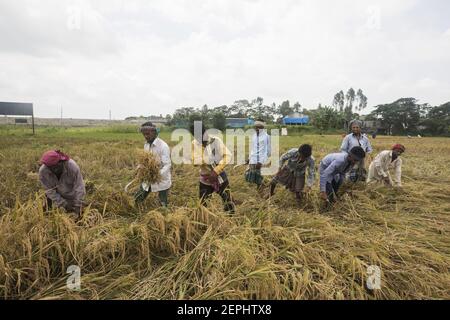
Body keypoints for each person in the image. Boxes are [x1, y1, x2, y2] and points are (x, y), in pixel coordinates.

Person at [190, 122, 235, 214]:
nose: (199, 139)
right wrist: (207, 157)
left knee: (228, 202)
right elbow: (194, 161)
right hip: (205, 179)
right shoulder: (194, 143)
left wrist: (216, 171)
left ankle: (230, 221)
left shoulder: (216, 141)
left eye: (201, 135)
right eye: (196, 136)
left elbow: (228, 156)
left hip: (220, 176)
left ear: (205, 131)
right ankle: (204, 222)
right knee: (203, 205)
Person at [134, 122, 171, 207]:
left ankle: (164, 215)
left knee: (162, 202)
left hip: (161, 179)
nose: (146, 136)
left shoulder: (163, 146)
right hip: (148, 177)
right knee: (138, 198)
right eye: (144, 134)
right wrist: (140, 167)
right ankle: (137, 211)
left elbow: (167, 165)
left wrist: (157, 174)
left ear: (154, 132)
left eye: (148, 134)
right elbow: (144, 161)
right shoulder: (146, 145)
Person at [39, 150, 85, 217]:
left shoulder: (72, 167)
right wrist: (64, 204)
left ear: (61, 162)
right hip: (57, 195)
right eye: (51, 168)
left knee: (79, 213)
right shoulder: (43, 171)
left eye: (56, 167)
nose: (54, 170)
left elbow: (79, 187)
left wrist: (78, 205)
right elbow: (49, 191)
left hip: (71, 194)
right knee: (48, 201)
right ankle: (48, 214)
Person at [245, 120, 271, 190]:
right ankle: (257, 187)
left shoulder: (267, 137)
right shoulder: (253, 136)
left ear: (263, 128)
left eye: (259, 127)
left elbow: (268, 151)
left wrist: (261, 162)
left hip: (260, 160)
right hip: (253, 158)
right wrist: (249, 158)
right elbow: (252, 148)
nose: (257, 129)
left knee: (259, 175)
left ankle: (261, 187)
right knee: (251, 174)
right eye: (255, 127)